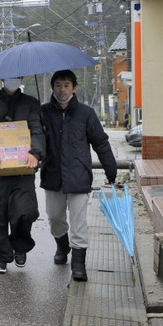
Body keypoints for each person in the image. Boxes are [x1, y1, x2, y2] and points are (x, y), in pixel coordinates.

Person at [40, 70, 117, 282]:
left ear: (73, 87)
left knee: (79, 221)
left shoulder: (86, 113)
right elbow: (33, 141)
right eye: (57, 85)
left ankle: (79, 265)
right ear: (52, 87)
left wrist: (110, 168)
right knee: (55, 218)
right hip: (53, 174)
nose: (61, 89)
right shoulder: (43, 112)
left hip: (79, 175)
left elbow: (100, 142)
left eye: (66, 85)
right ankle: (62, 246)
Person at [0, 77, 45, 274]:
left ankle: (20, 246)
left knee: (25, 211)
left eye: (17, 77)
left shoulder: (31, 103)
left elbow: (38, 130)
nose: (13, 80)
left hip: (24, 168)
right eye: (9, 77)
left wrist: (35, 153)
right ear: (2, 79)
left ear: (21, 79)